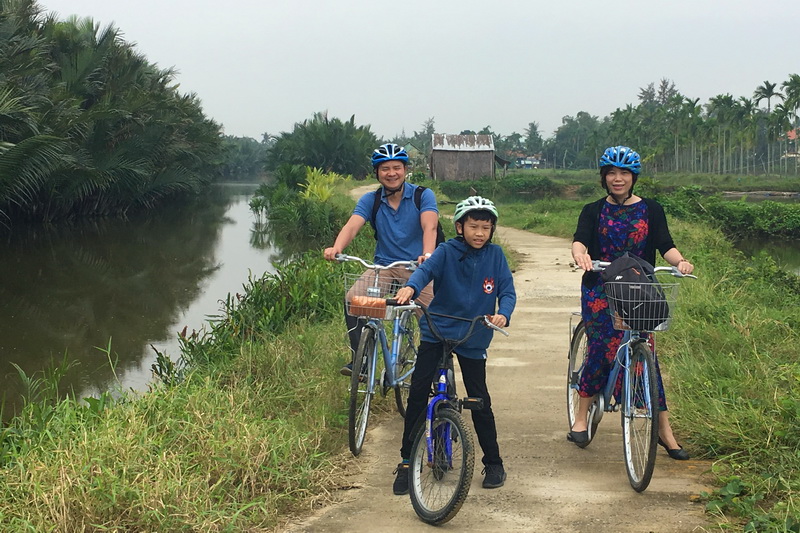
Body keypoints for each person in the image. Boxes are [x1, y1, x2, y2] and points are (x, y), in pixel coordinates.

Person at [569, 145, 695, 460]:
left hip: (639, 289)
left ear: (633, 177)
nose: (617, 178)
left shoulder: (651, 209)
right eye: (611, 172)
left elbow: (666, 244)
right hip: (601, 286)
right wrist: (580, 254)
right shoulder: (593, 210)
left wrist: (680, 262)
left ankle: (664, 431)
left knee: (647, 357)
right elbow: (580, 238)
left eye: (624, 173)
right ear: (603, 177)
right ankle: (581, 416)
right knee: (601, 347)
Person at [392, 196, 516, 494]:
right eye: (473, 226)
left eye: (486, 228)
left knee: (480, 400)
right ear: (460, 227)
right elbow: (425, 271)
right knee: (419, 394)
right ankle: (408, 462)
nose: (479, 233)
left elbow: (507, 291)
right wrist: (411, 286)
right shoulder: (446, 251)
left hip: (474, 333)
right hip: (438, 329)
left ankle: (494, 462)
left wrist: (503, 314)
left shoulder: (496, 256)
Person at [324, 143, 438, 375]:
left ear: (405, 170)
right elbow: (353, 225)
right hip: (383, 268)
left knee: (433, 319)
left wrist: (427, 255)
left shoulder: (422, 195)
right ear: (377, 173)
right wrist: (336, 248)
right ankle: (361, 361)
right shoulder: (371, 200)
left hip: (418, 268)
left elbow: (430, 227)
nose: (391, 173)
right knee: (352, 300)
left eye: (397, 167)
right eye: (385, 168)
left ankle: (438, 372)